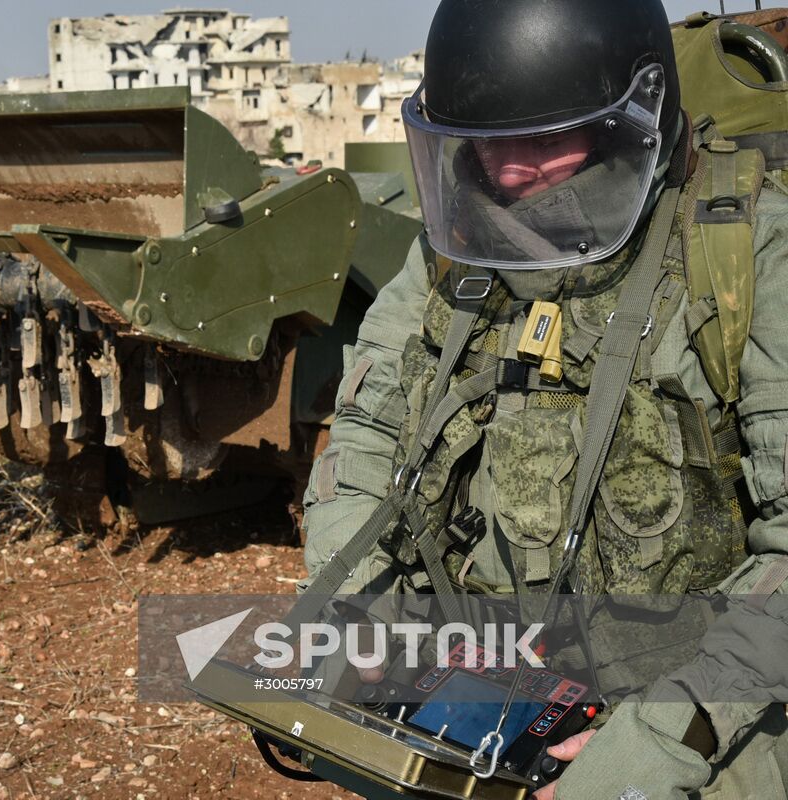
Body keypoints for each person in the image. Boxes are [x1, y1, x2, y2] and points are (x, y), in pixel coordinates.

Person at [301, 0, 788, 797]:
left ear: (635, 118)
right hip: (478, 688)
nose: (512, 173)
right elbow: (363, 442)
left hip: (699, 703)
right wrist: (356, 617)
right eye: (486, 145)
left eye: (543, 140)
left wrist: (665, 735)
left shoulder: (752, 254)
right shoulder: (447, 258)